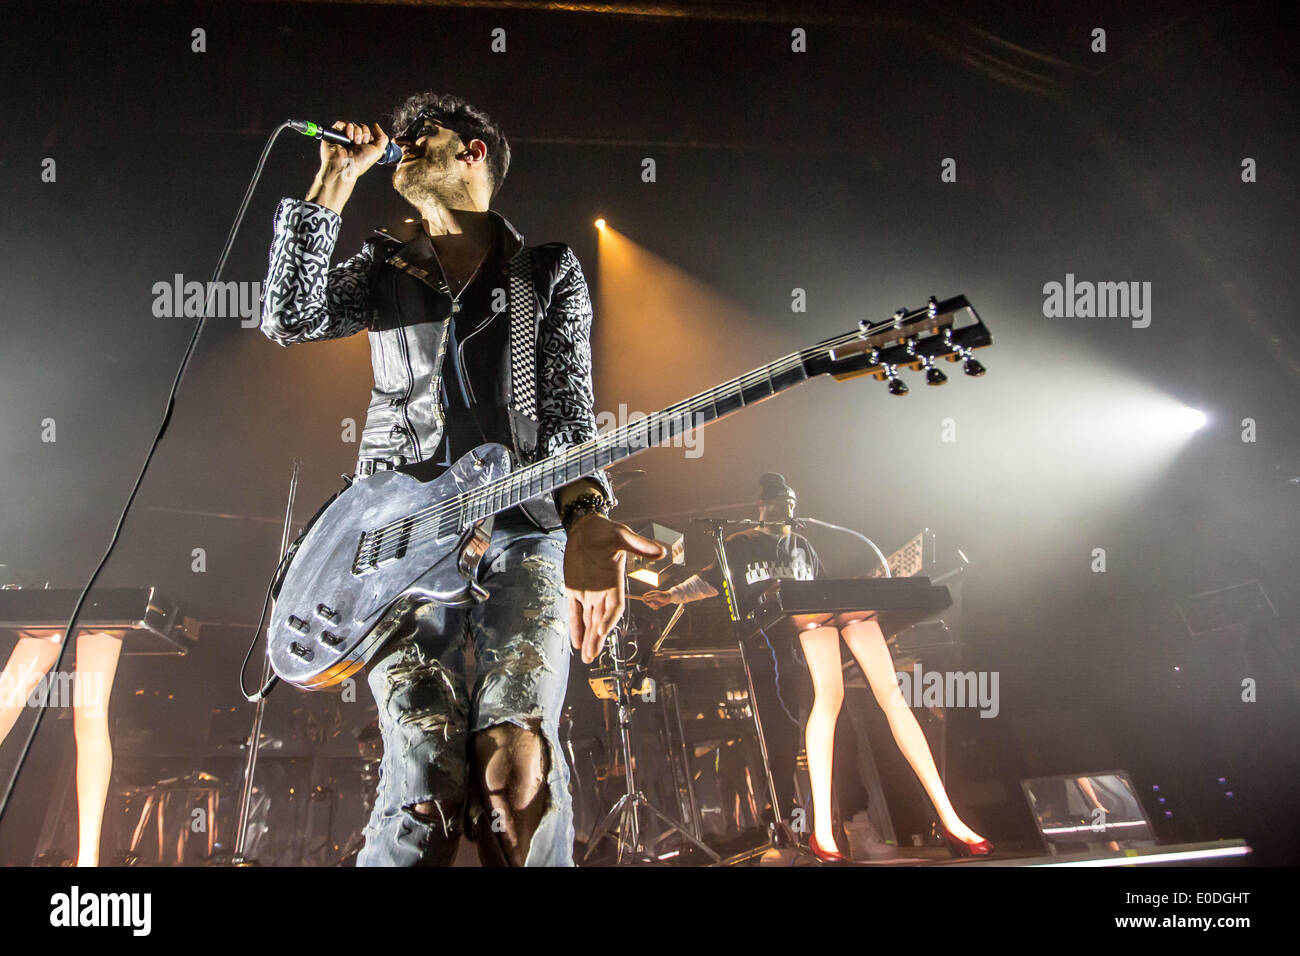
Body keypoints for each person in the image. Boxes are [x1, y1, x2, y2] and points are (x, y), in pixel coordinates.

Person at [260, 93, 664, 866]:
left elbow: (569, 411)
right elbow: (288, 316)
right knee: (427, 767)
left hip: (521, 529)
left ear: (473, 152)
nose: (400, 145)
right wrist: (335, 182)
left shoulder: (546, 272)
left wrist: (585, 517)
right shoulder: (384, 264)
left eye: (421, 134)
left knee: (515, 764)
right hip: (392, 542)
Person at [644, 473, 990, 860]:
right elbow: (711, 580)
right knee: (780, 744)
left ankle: (856, 829)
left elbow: (827, 594)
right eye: (778, 503)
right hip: (767, 652)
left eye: (791, 503)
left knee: (840, 734)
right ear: (761, 506)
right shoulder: (739, 543)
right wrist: (673, 595)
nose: (786, 510)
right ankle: (787, 837)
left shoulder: (804, 547)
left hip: (811, 644)